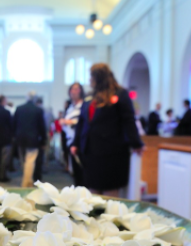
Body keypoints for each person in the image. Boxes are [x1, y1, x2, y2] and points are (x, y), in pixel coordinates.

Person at [71, 63, 144, 197]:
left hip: (111, 152)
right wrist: (75, 143)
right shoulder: (90, 97)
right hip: (90, 151)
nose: (89, 80)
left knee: (109, 192)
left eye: (91, 76)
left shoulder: (120, 94)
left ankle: (109, 218)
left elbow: (128, 120)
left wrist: (136, 143)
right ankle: (94, 217)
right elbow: (82, 122)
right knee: (93, 189)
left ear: (99, 77)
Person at [13, 91, 47, 187]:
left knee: (24, 161)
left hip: (20, 139)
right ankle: (27, 183)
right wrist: (44, 140)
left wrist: (15, 137)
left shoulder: (19, 108)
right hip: (33, 140)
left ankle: (28, 180)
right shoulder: (38, 110)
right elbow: (42, 127)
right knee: (30, 161)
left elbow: (14, 124)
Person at [60, 83, 85, 186]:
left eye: (76, 89)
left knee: (81, 171)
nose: (73, 92)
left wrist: (68, 122)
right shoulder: (71, 107)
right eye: (72, 89)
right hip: (70, 140)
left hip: (79, 141)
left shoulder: (83, 105)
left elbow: (83, 122)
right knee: (75, 172)